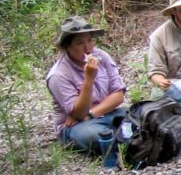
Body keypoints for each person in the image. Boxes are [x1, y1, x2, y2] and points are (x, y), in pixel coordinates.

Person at [46, 16, 127, 159]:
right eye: (79, 43)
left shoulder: (101, 56)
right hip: (75, 127)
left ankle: (124, 137)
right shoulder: (58, 75)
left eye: (89, 40)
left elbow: (118, 95)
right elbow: (78, 114)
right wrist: (89, 78)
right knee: (93, 136)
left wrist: (90, 114)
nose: (88, 48)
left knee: (141, 114)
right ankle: (126, 140)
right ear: (68, 47)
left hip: (105, 113)